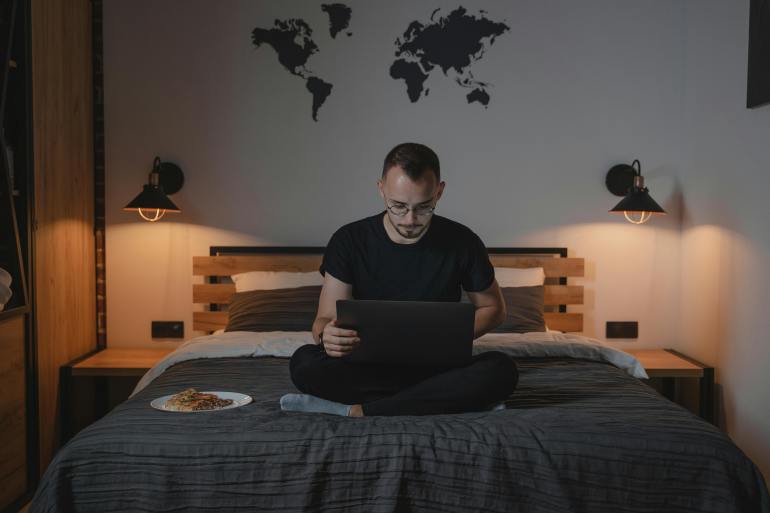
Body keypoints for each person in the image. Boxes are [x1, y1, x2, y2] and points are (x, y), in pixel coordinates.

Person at [281, 142, 518, 417]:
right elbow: (323, 319)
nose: (410, 219)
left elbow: (494, 309)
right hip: (368, 367)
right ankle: (432, 400)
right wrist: (327, 336)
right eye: (398, 206)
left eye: (424, 207)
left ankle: (364, 409)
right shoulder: (349, 240)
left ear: (439, 191)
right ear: (381, 189)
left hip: (436, 366)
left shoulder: (463, 241)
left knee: (501, 369)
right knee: (304, 362)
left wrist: (444, 339)